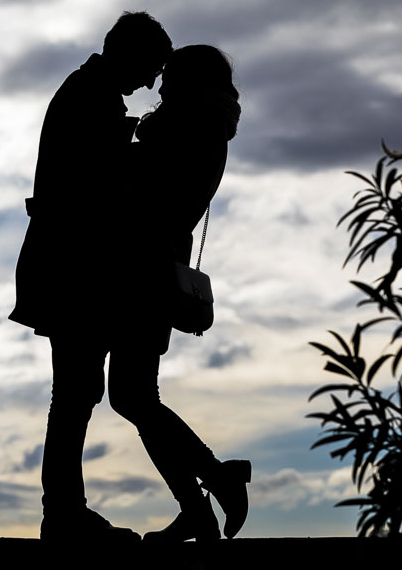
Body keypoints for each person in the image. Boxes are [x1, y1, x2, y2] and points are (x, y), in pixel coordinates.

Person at [8, 11, 173, 543]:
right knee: (75, 392)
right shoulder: (90, 98)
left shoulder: (87, 94)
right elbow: (102, 189)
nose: (150, 83)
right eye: (150, 68)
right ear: (127, 54)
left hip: (70, 268)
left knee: (77, 391)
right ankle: (63, 513)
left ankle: (65, 511)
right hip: (74, 271)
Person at [113, 44, 250, 542]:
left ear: (189, 81)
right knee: (134, 395)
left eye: (170, 75)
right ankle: (200, 502)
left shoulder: (183, 126)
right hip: (156, 267)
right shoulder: (210, 127)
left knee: (131, 395)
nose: (161, 84)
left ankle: (215, 482)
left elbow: (144, 191)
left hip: (142, 271)